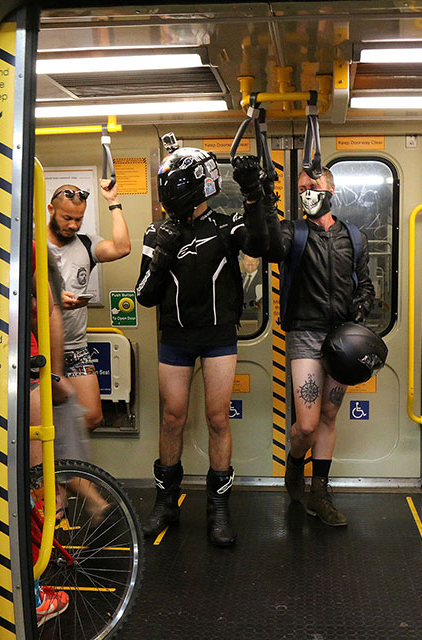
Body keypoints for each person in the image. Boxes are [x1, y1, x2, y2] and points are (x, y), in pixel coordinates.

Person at [135, 148, 271, 547]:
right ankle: (166, 502)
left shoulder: (227, 228)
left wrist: (253, 196)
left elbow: (261, 244)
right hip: (176, 337)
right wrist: (162, 254)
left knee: (217, 419)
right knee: (172, 418)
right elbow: (145, 295)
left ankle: (219, 509)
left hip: (217, 338)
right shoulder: (155, 233)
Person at [264, 167, 375, 526]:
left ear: (330, 189)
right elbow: (266, 245)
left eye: (312, 187)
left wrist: (361, 308)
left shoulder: (353, 237)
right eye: (301, 189)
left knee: (329, 416)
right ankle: (296, 462)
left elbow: (366, 284)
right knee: (307, 425)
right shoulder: (291, 233)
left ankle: (320, 492)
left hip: (342, 336)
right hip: (306, 333)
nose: (307, 193)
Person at [47, 179, 131, 432]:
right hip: (41, 349)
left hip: (76, 347)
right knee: (38, 420)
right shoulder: (31, 244)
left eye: (78, 219)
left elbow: (122, 248)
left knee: (93, 417)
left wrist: (113, 202)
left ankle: (64, 463)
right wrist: (52, 302)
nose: (73, 225)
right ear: (51, 210)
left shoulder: (86, 244)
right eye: (66, 218)